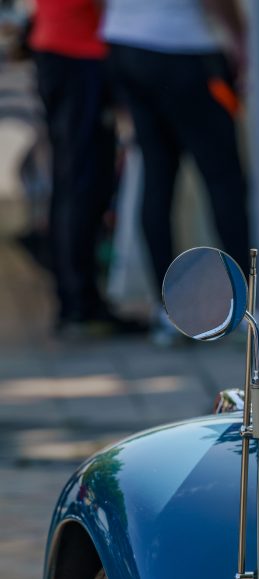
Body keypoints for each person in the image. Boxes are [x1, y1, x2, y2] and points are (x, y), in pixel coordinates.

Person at [102, 0, 249, 344]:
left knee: (157, 175)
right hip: (182, 46)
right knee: (224, 179)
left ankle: (167, 311)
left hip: (124, 43)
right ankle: (248, 303)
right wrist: (241, 37)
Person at [30, 0, 140, 336]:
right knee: (83, 182)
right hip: (76, 51)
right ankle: (80, 303)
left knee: (74, 181)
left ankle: (77, 300)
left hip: (62, 46)